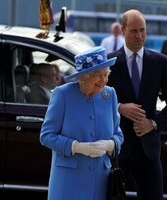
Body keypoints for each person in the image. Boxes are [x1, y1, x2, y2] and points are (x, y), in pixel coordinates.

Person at [40, 46, 124, 200]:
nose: (104, 80)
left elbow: (118, 135)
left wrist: (109, 145)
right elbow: (46, 136)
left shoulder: (109, 94)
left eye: (106, 74)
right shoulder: (63, 94)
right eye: (98, 75)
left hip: (100, 181)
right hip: (68, 181)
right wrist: (77, 147)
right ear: (83, 76)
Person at [107, 9, 167, 200]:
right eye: (134, 31)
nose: (140, 36)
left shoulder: (160, 63)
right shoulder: (109, 62)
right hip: (116, 148)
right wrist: (119, 108)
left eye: (143, 30)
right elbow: (94, 100)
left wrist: (153, 123)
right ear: (123, 30)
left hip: (148, 150)